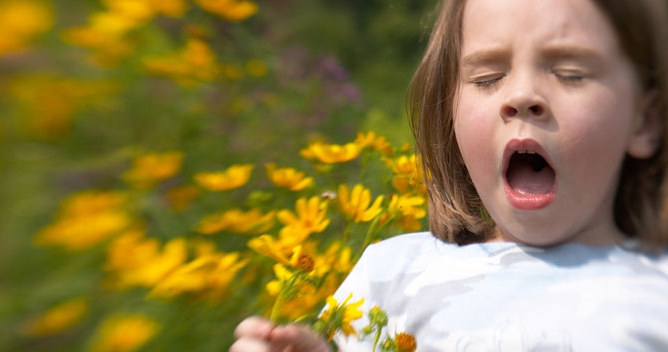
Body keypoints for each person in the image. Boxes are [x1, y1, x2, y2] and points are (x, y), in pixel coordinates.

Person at [231, 0, 668, 350]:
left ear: (644, 121)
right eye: (488, 77)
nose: (520, 96)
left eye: (570, 73)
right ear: (450, 113)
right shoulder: (392, 274)